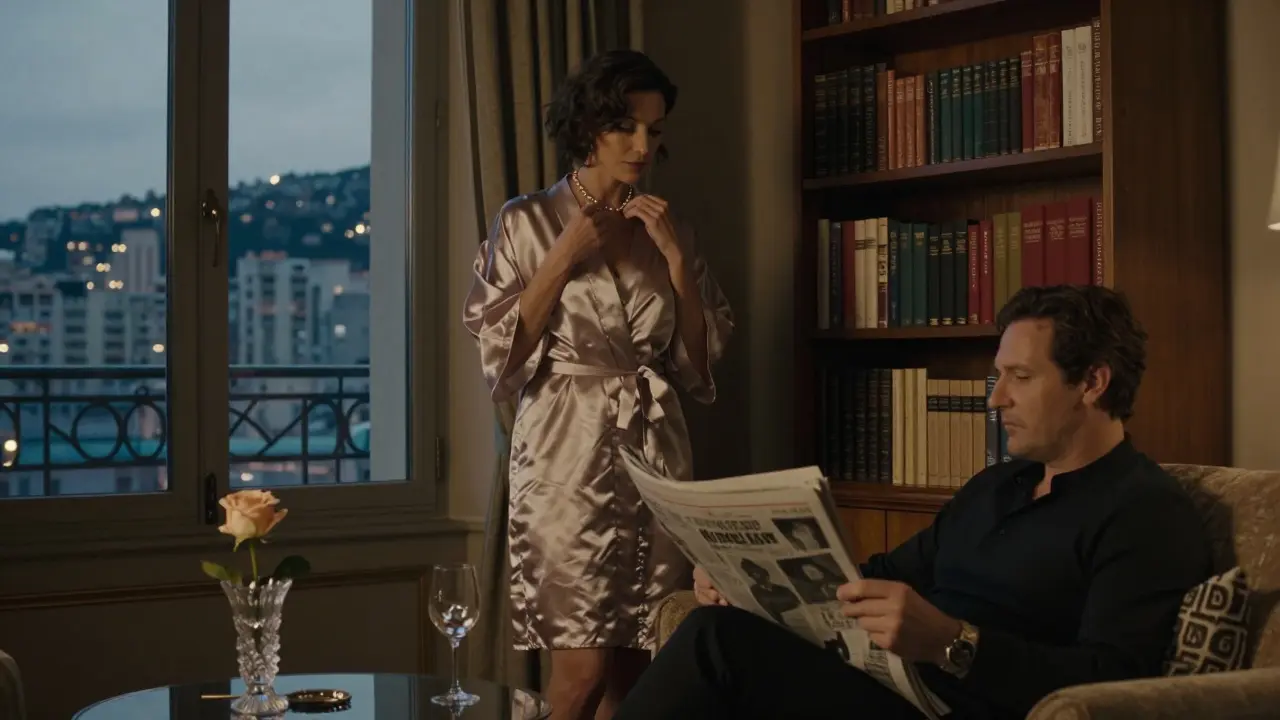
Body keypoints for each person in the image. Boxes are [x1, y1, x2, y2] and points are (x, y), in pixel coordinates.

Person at [614, 284, 1213, 720]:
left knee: (715, 644)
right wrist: (742, 579)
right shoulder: (995, 486)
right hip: (887, 686)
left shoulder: (1145, 512)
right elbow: (876, 579)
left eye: (1020, 377)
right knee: (720, 622)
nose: (996, 398)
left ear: (1093, 383)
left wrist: (955, 645)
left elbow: (1113, 684)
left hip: (963, 708)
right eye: (997, 375)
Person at [462, 49, 733, 720]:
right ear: (589, 128)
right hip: (564, 456)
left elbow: (697, 364)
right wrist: (563, 254)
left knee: (641, 668)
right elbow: (498, 351)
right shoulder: (525, 221)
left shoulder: (669, 228)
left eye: (655, 130)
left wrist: (674, 259)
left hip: (654, 454)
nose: (643, 145)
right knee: (580, 671)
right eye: (627, 128)